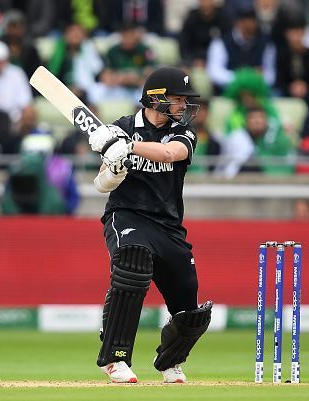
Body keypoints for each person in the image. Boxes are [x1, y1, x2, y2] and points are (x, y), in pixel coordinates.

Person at [88, 66, 212, 383]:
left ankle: (169, 362)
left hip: (168, 225)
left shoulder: (181, 133)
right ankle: (115, 358)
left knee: (190, 308)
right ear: (156, 99)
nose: (184, 105)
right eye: (178, 99)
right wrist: (114, 169)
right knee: (133, 263)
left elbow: (171, 153)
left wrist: (126, 147)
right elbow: (101, 185)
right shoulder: (122, 127)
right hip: (127, 214)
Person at [216, 106, 294, 177]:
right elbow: (224, 165)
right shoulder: (235, 138)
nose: (257, 121)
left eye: (260, 118)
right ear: (246, 122)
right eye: (253, 118)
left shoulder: (275, 138)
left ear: (266, 121)